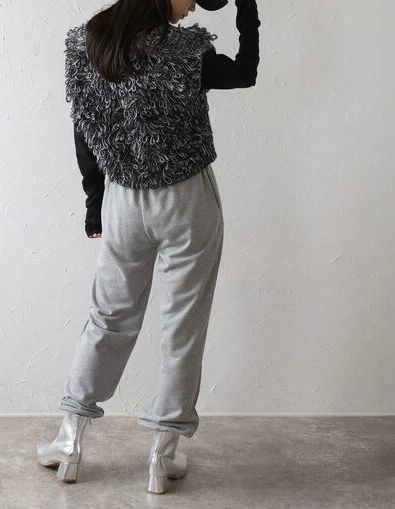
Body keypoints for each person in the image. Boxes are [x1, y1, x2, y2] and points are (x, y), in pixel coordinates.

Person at [36, 0, 260, 494]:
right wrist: (247, 8)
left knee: (107, 318)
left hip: (122, 199)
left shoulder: (90, 43)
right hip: (187, 200)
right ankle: (162, 455)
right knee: (183, 326)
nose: (193, 6)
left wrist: (94, 203)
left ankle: (69, 441)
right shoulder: (188, 51)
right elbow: (245, 73)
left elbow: (85, 130)